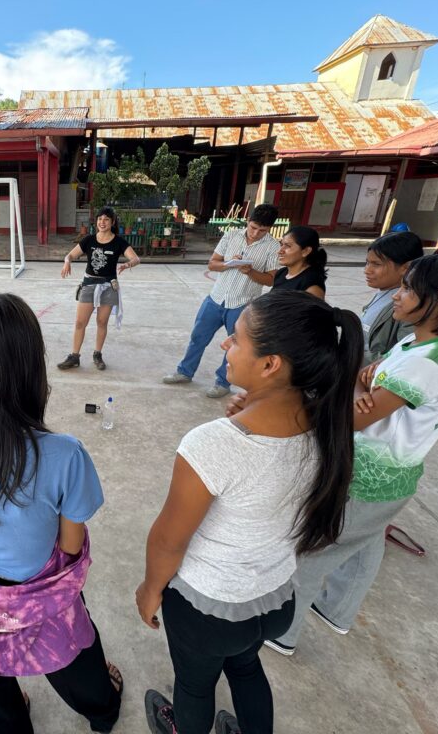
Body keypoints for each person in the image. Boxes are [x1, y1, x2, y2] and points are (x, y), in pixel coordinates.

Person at [137, 290, 363, 734]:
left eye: (236, 339)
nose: (226, 344)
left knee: (196, 687)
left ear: (271, 364)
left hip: (210, 608)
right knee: (245, 669)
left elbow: (168, 539)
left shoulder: (213, 444)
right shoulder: (327, 425)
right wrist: (255, 403)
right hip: (275, 597)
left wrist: (149, 588)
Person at [265, 253, 438, 657]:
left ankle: (282, 632)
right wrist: (366, 386)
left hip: (368, 478)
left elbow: (353, 419)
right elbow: (370, 379)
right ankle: (338, 610)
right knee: (364, 542)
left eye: (409, 287)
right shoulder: (428, 343)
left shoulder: (425, 365)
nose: (398, 293)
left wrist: (358, 392)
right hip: (394, 479)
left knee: (313, 551)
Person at [0, 294, 122, 734]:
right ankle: (102, 710)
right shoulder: (65, 455)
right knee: (74, 653)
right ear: (32, 371)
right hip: (41, 592)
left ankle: (9, 723)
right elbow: (70, 547)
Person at [163, 204, 281, 397]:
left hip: (243, 303)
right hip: (216, 298)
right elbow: (213, 263)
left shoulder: (273, 246)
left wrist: (250, 271)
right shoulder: (231, 236)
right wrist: (228, 264)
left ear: (269, 229)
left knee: (235, 346)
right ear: (248, 221)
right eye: (253, 227)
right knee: (198, 337)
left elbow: (271, 279)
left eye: (262, 230)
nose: (255, 233)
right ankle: (184, 371)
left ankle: (223, 383)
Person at [56, 207, 140, 371]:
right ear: (96, 221)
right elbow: (70, 255)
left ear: (112, 222)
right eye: (100, 219)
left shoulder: (119, 242)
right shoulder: (89, 240)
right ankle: (74, 356)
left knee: (102, 322)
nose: (102, 222)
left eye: (106, 219)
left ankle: (97, 354)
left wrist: (127, 264)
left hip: (109, 286)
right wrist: (67, 262)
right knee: (80, 322)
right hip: (89, 284)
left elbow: (136, 258)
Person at [361, 231, 424, 362]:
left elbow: (401, 357)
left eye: (376, 264)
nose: (367, 270)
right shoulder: (382, 292)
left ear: (406, 267)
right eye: (367, 263)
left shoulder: (407, 305)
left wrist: (350, 355)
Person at [271, 226, 327, 299]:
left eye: (288, 246)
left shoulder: (311, 286)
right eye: (281, 244)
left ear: (306, 251)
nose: (280, 251)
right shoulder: (281, 273)